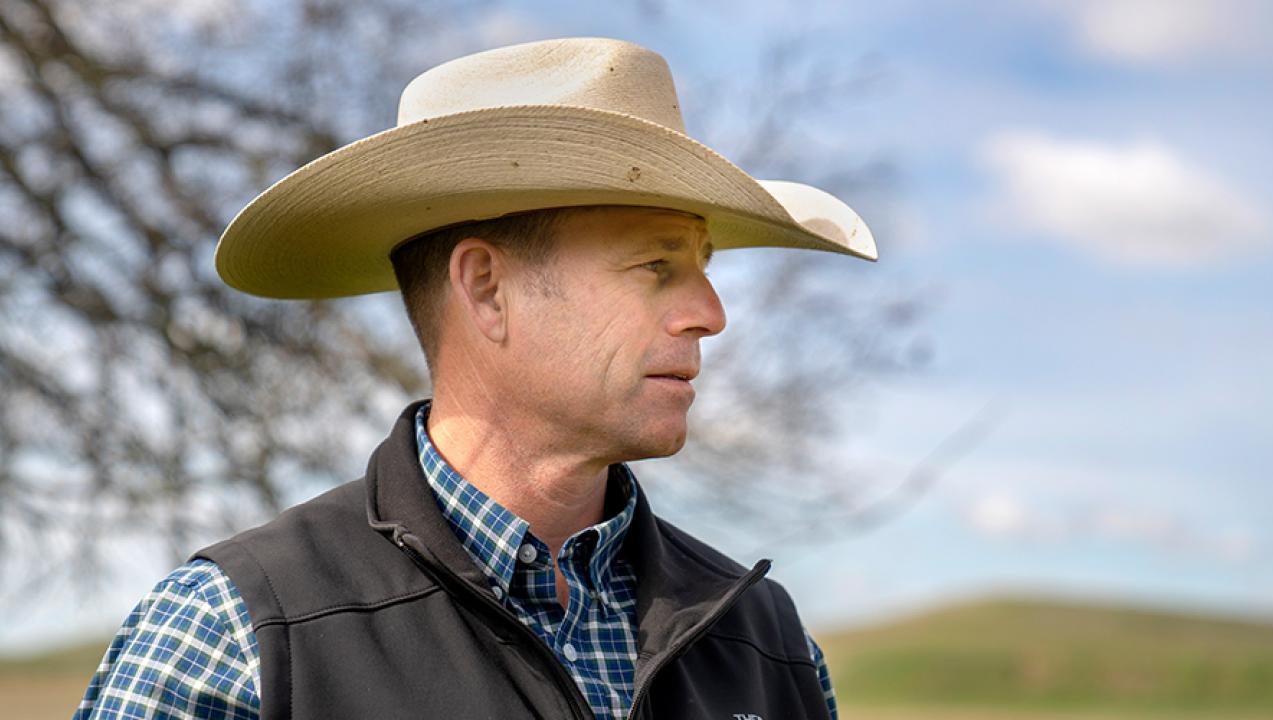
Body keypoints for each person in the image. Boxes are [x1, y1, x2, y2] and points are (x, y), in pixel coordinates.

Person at [75, 37, 877, 719]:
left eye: (702, 266)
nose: (710, 313)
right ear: (487, 289)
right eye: (656, 265)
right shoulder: (235, 633)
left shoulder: (767, 643)